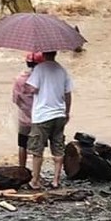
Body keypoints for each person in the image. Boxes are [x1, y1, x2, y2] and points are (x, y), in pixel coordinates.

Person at [25, 51, 74, 190]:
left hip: (42, 115)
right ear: (55, 53)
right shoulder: (62, 70)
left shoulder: (39, 69)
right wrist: (67, 112)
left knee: (37, 150)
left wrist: (28, 82)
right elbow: (68, 94)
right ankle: (56, 180)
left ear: (44, 54)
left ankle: (35, 181)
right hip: (59, 114)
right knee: (58, 147)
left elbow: (32, 89)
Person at [12, 52, 43, 171]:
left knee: (22, 145)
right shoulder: (43, 80)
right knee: (38, 148)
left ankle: (22, 169)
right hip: (39, 118)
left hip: (24, 118)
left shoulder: (20, 79)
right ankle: (36, 174)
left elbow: (15, 99)